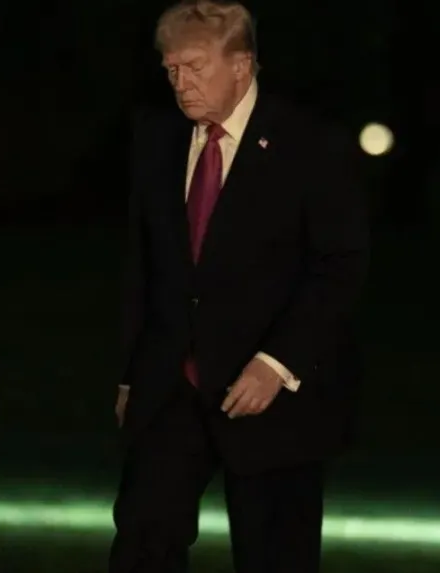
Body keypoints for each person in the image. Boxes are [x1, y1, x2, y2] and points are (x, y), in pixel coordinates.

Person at [109, 1, 369, 572]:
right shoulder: (158, 142)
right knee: (142, 541)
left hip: (271, 395)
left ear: (243, 66)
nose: (182, 83)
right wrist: (133, 371)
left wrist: (277, 363)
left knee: (274, 554)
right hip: (172, 385)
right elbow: (145, 265)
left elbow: (339, 266)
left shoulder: (309, 145)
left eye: (196, 66)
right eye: (172, 69)